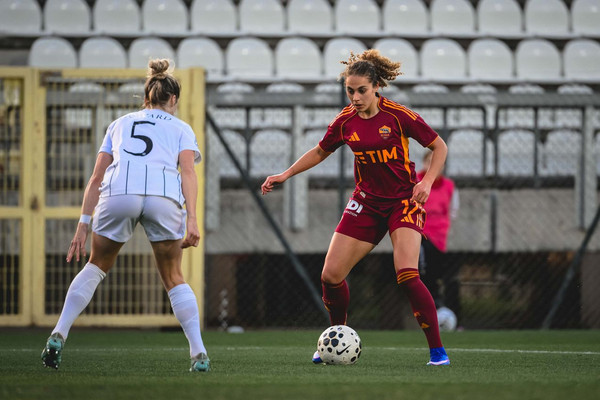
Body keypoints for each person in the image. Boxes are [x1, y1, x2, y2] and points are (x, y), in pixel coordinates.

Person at [261, 50, 450, 366]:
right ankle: (337, 337)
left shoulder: (398, 116)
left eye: (362, 90)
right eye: (350, 91)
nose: (356, 97)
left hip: (403, 201)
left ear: (376, 87)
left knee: (406, 274)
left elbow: (439, 146)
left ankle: (438, 352)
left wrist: (427, 182)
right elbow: (320, 151)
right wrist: (285, 174)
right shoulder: (345, 120)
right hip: (366, 202)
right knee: (330, 275)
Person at [41, 59, 210, 372]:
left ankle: (58, 333)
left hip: (119, 191)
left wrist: (83, 223)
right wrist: (192, 219)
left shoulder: (118, 124)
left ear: (146, 97)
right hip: (162, 194)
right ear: (173, 99)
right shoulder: (181, 128)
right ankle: (198, 353)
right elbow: (188, 172)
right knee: (174, 276)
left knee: (96, 265)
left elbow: (96, 177)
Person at [418, 150, 461, 328]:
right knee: (424, 275)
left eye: (435, 162)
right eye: (428, 161)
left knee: (445, 277)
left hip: (439, 238)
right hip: (419, 234)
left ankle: (446, 314)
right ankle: (430, 311)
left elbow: (453, 211)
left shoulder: (449, 186)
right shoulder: (415, 181)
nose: (431, 166)